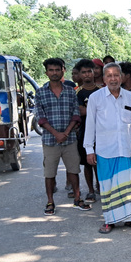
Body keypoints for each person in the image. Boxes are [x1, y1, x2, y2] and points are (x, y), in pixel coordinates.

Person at [84, 63, 131, 234]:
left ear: (121, 77)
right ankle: (109, 221)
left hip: (125, 150)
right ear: (104, 79)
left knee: (127, 186)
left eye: (116, 75)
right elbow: (89, 125)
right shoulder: (96, 98)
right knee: (108, 187)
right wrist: (89, 149)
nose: (113, 79)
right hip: (105, 151)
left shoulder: (129, 97)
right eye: (109, 75)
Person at [36, 58, 91, 215]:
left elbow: (76, 114)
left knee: (74, 170)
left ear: (63, 71)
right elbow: (41, 118)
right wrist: (56, 134)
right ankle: (50, 201)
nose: (54, 73)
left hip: (69, 139)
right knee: (49, 173)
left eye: (57, 70)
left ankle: (78, 198)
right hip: (49, 140)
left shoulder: (70, 91)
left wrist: (65, 133)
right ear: (46, 72)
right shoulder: (40, 92)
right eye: (51, 70)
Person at [74, 59, 101, 204]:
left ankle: (101, 186)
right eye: (83, 72)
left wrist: (88, 110)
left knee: (99, 162)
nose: (87, 75)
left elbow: (104, 112)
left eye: (89, 71)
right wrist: (95, 110)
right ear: (79, 74)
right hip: (84, 132)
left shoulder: (101, 90)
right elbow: (79, 111)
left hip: (102, 132)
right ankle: (90, 190)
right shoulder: (76, 93)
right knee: (87, 163)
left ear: (94, 72)